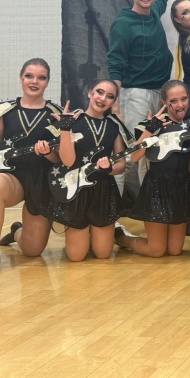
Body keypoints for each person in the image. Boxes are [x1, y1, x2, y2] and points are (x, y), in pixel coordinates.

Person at [107, 0, 183, 199]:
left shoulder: (154, 11)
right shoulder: (123, 24)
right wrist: (115, 105)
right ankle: (118, 204)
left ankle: (145, 204)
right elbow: (115, 64)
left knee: (150, 150)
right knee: (132, 153)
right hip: (135, 95)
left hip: (159, 92)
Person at [0, 58, 62, 274]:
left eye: (41, 78)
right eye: (29, 76)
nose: (34, 82)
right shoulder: (4, 110)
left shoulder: (56, 114)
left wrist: (48, 153)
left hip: (42, 180)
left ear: (47, 82)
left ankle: (16, 232)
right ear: (21, 79)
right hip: (11, 175)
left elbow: (60, 159)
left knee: (32, 251)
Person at [116, 80, 190, 257]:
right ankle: (121, 238)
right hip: (156, 189)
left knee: (174, 251)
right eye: (173, 101)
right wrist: (150, 130)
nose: (180, 105)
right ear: (164, 102)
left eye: (184, 99)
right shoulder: (152, 124)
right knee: (156, 250)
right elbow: (135, 157)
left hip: (180, 190)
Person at [54, 80, 130, 262]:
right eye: (99, 92)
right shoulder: (73, 120)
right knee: (76, 256)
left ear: (113, 102)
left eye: (110, 96)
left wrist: (109, 169)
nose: (103, 98)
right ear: (90, 93)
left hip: (104, 190)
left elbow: (121, 164)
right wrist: (65, 129)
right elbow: (67, 161)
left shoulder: (114, 126)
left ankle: (111, 234)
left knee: (103, 254)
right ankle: (82, 234)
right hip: (77, 190)